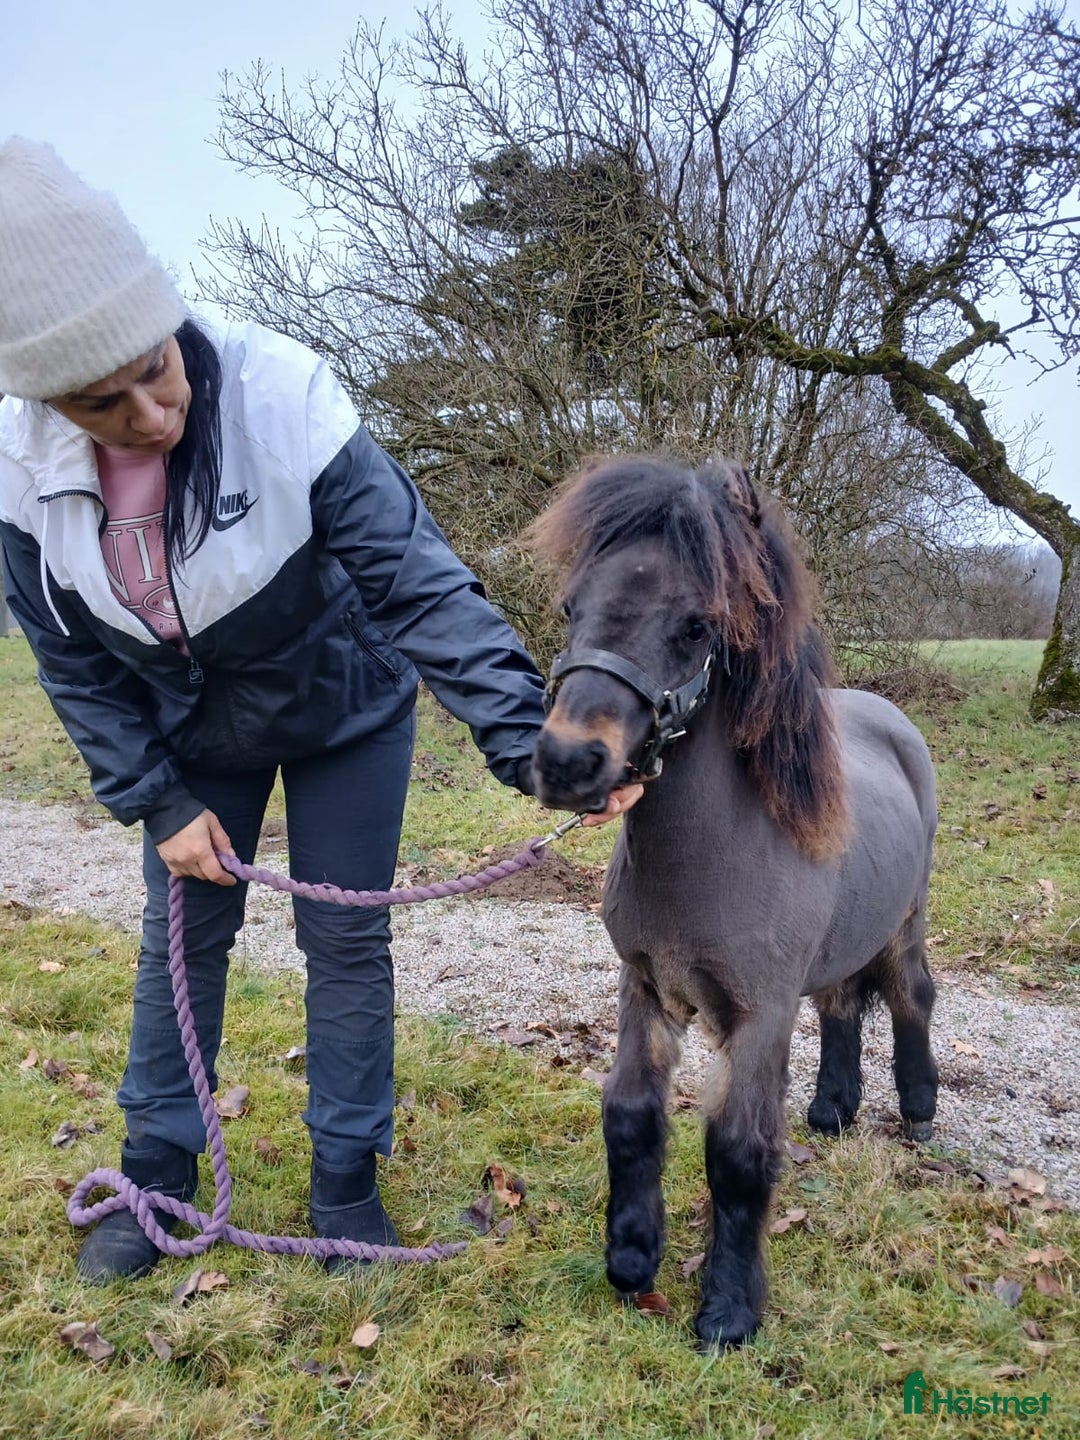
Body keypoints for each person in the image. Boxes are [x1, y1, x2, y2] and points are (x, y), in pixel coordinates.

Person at [0, 138, 641, 1284]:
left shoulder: (280, 395)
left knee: (346, 936)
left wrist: (526, 745)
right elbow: (72, 662)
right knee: (181, 943)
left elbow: (417, 580)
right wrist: (156, 802)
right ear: (46, 399)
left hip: (346, 709)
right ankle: (153, 1179)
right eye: (107, 401)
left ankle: (346, 1183)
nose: (154, 411)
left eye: (159, 369)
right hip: (192, 733)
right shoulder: (16, 475)